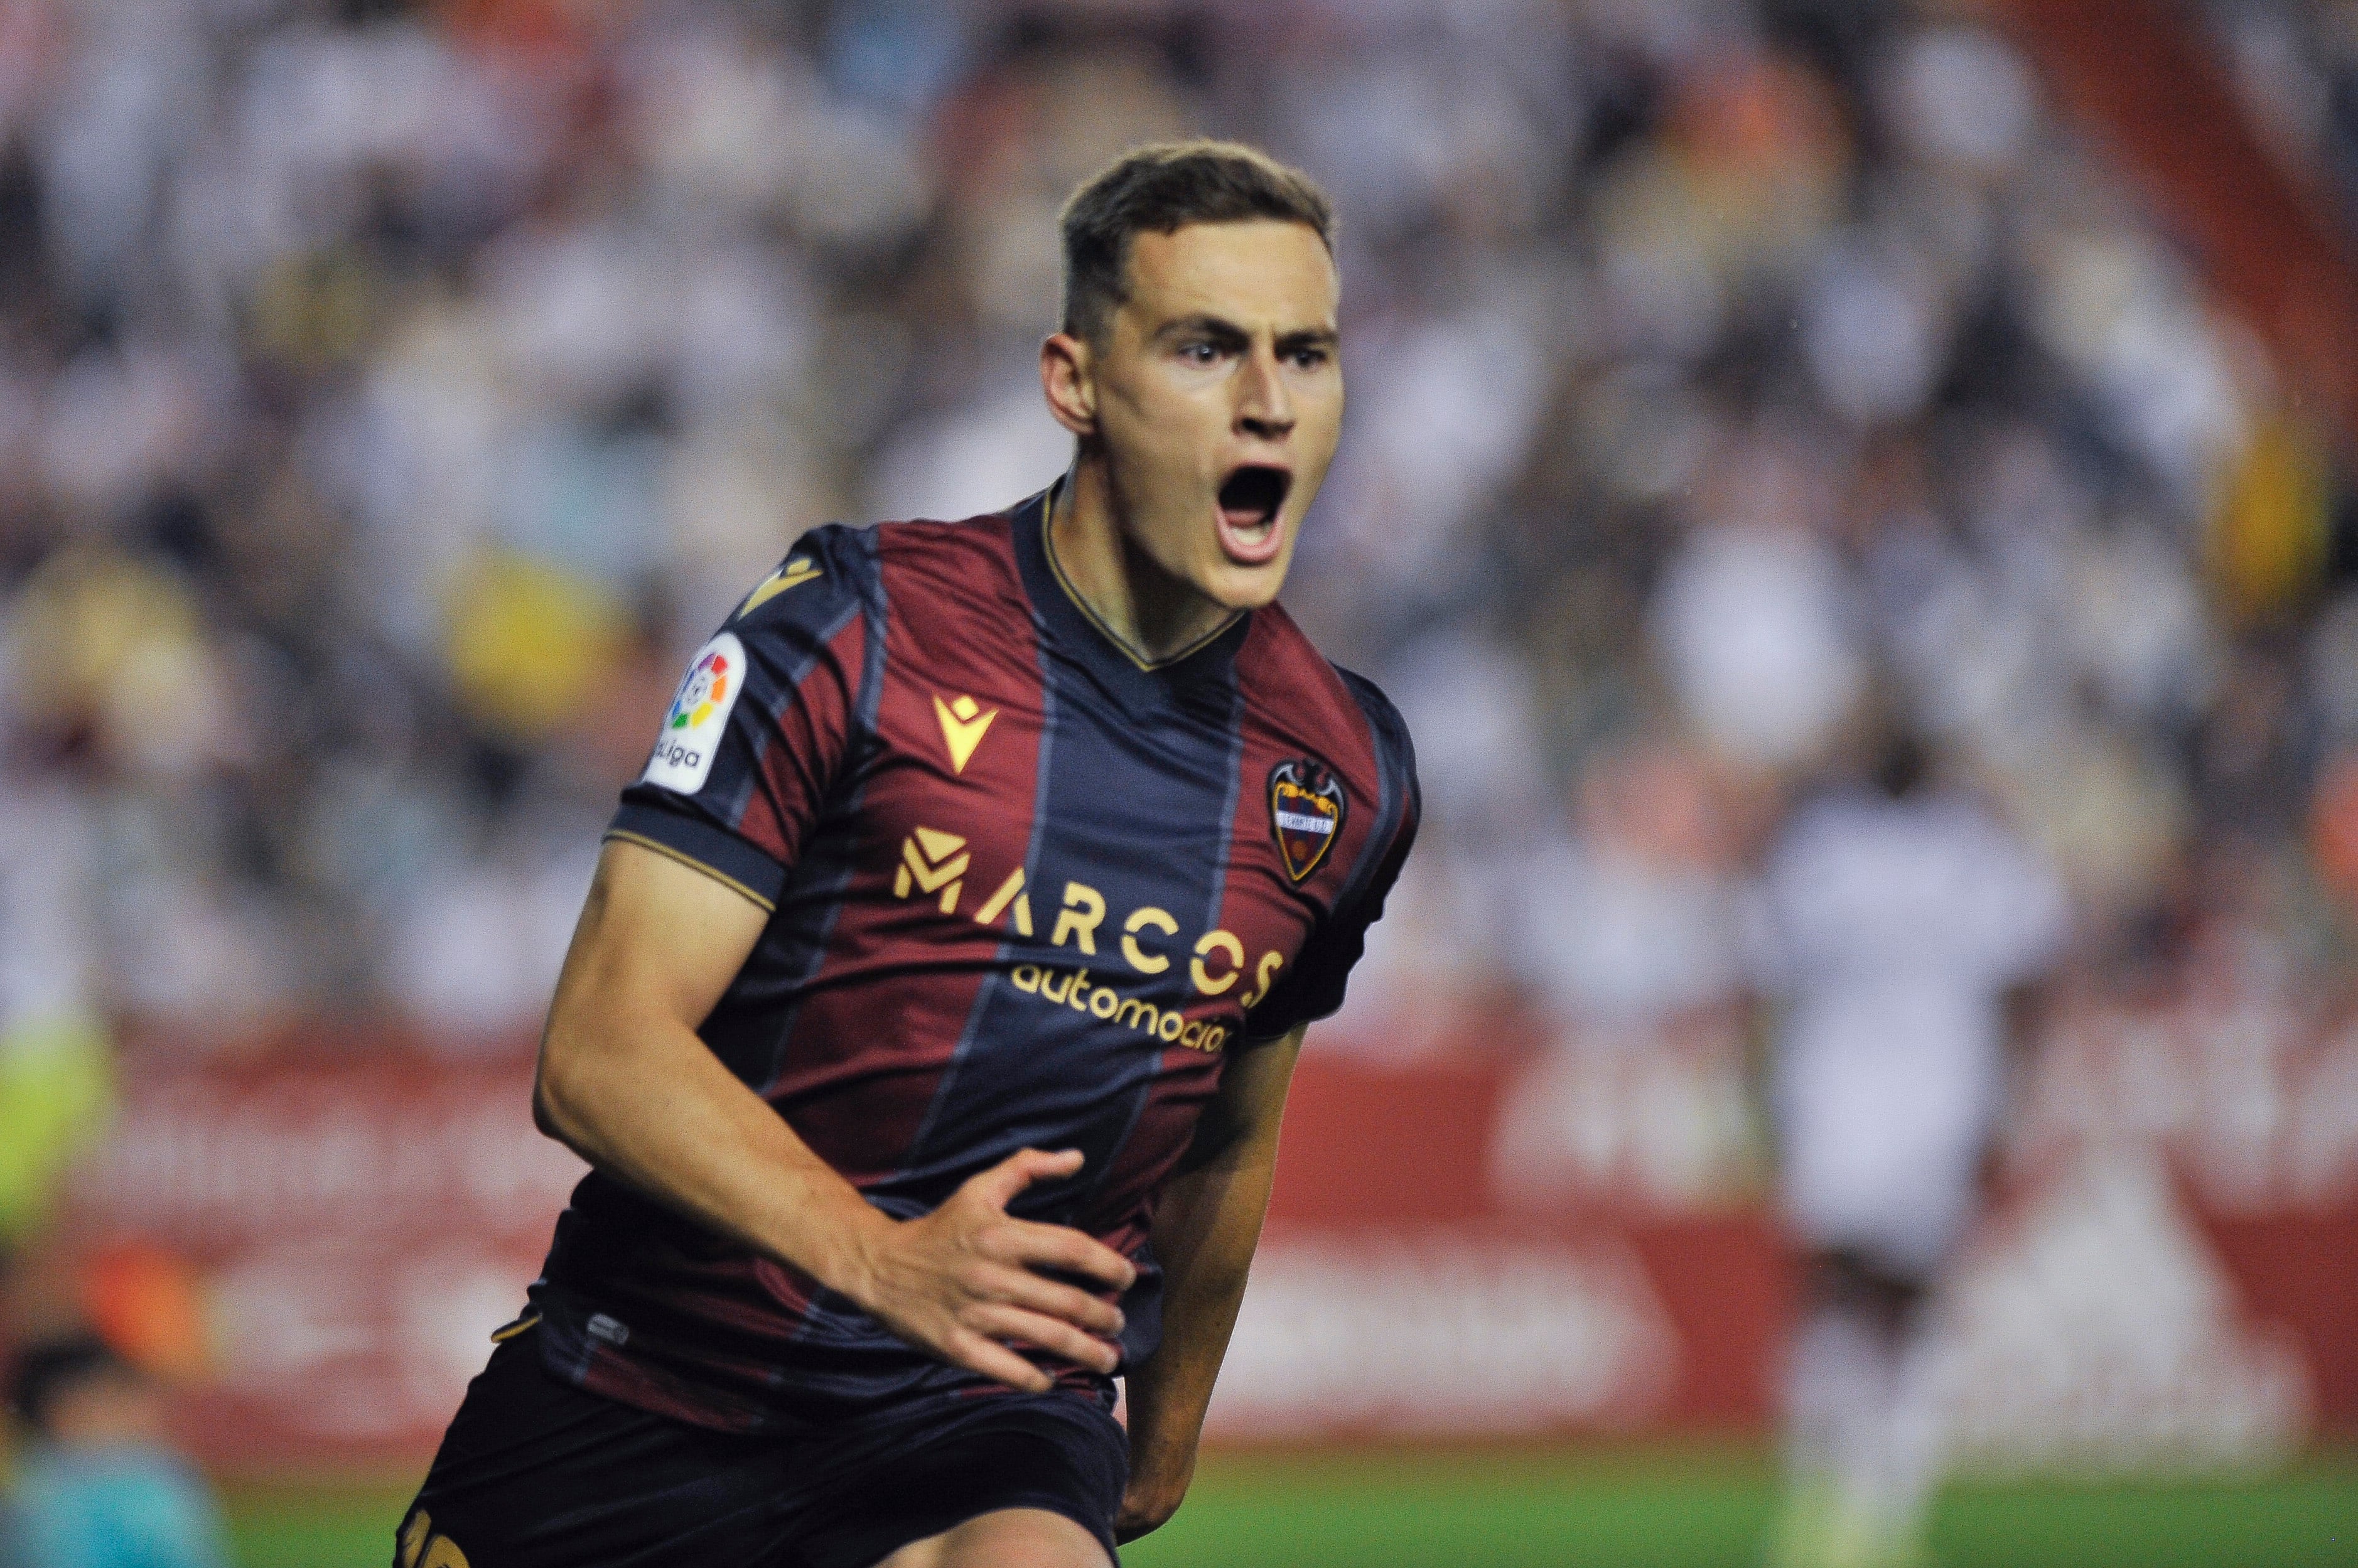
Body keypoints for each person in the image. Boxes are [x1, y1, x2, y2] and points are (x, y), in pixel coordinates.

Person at [397, 141, 1418, 1568]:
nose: (1267, 401)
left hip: (986, 1412)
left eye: (1304, 354)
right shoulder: (854, 624)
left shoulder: (1343, 772)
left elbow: (1230, 1129)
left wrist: (1164, 1424)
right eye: (1205, 348)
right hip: (648, 1377)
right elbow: (598, 1048)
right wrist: (882, 1255)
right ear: (1073, 382)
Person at [1752, 723, 2065, 1568]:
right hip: (1903, 1093)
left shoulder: (1837, 847)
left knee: (1862, 1295)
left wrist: (1763, 1087)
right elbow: (2031, 969)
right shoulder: (1962, 847)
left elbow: (1766, 973)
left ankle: (1864, 1509)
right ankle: (1852, 1504)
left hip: (1870, 1095)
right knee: (1881, 1298)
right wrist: (2013, 1089)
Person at [4, 1335, 231, 1568]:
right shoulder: (46, 1495)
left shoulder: (157, 1473)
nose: (139, 1413)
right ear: (60, 1413)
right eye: (114, 1401)